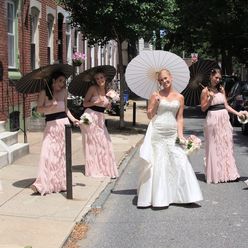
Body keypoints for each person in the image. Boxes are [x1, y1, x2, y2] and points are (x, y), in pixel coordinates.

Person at [137, 69, 203, 208]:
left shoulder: (179, 97)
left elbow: (179, 118)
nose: (164, 82)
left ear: (171, 77)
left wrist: (180, 135)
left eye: (165, 78)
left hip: (172, 133)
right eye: (161, 80)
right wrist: (155, 104)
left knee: (180, 159)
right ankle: (159, 197)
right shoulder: (155, 95)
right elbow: (150, 116)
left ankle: (184, 195)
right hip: (158, 132)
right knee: (159, 162)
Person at [30, 71, 79, 195]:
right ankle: (42, 183)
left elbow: (66, 109)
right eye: (60, 81)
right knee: (46, 154)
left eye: (63, 81)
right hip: (51, 126)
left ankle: (60, 182)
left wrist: (73, 120)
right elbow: (39, 109)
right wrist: (50, 107)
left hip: (63, 125)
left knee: (60, 155)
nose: (62, 84)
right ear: (53, 81)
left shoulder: (64, 92)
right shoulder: (43, 93)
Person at [200, 68, 245, 184]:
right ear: (211, 77)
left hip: (224, 119)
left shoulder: (221, 89)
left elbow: (226, 106)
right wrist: (209, 99)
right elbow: (203, 108)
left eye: (219, 78)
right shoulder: (205, 91)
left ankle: (229, 174)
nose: (218, 80)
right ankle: (216, 175)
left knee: (225, 145)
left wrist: (237, 113)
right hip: (212, 118)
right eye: (216, 77)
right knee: (214, 146)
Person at [81, 70, 118, 178]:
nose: (99, 80)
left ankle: (103, 167)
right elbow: (84, 103)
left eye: (101, 78)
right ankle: (94, 168)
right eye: (97, 79)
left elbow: (106, 107)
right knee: (92, 143)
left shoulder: (107, 91)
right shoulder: (93, 88)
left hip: (100, 118)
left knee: (104, 142)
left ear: (105, 78)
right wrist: (93, 102)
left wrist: (109, 104)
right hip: (90, 117)